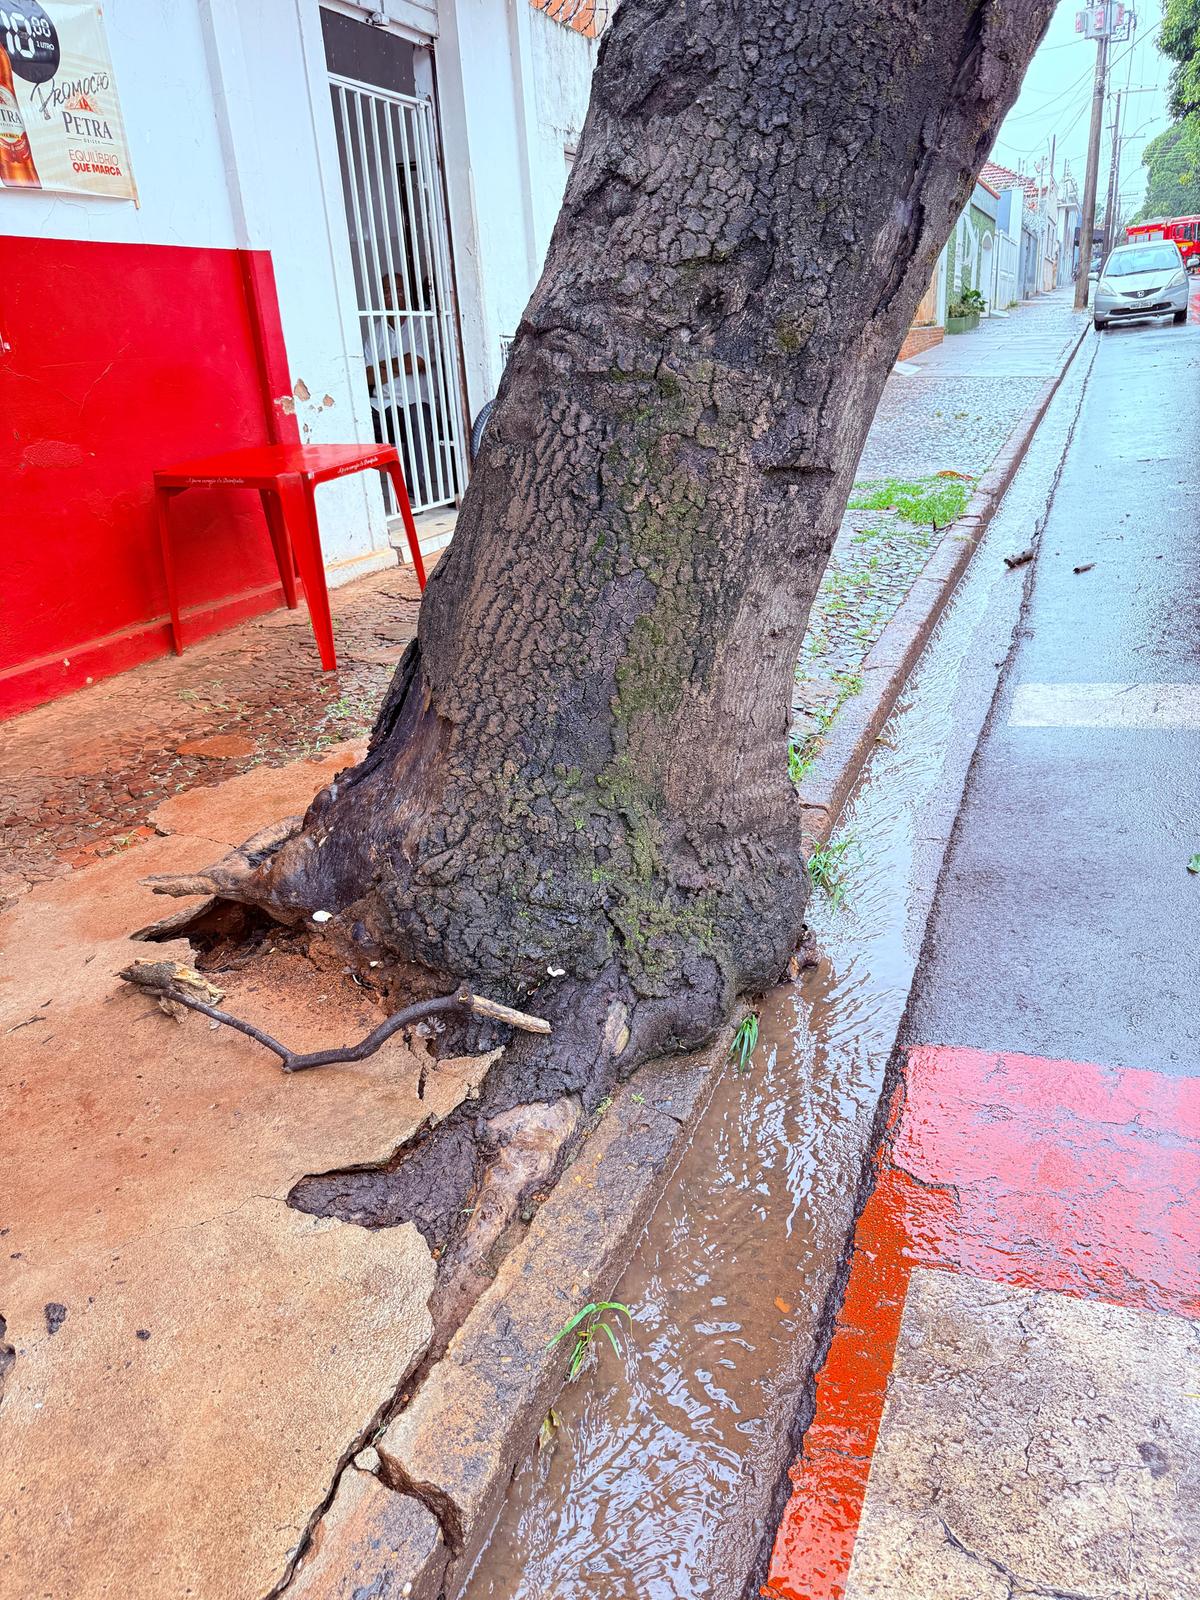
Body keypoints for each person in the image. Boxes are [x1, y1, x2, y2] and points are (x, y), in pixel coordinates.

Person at [363, 273, 439, 507]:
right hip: (382, 405)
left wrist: (382, 366)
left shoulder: (420, 323)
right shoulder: (376, 330)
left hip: (415, 401)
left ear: (408, 293)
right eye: (387, 290)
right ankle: (369, 499)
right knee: (359, 426)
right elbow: (366, 376)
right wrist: (399, 364)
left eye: (398, 290)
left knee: (416, 419)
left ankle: (415, 491)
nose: (393, 296)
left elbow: (417, 361)